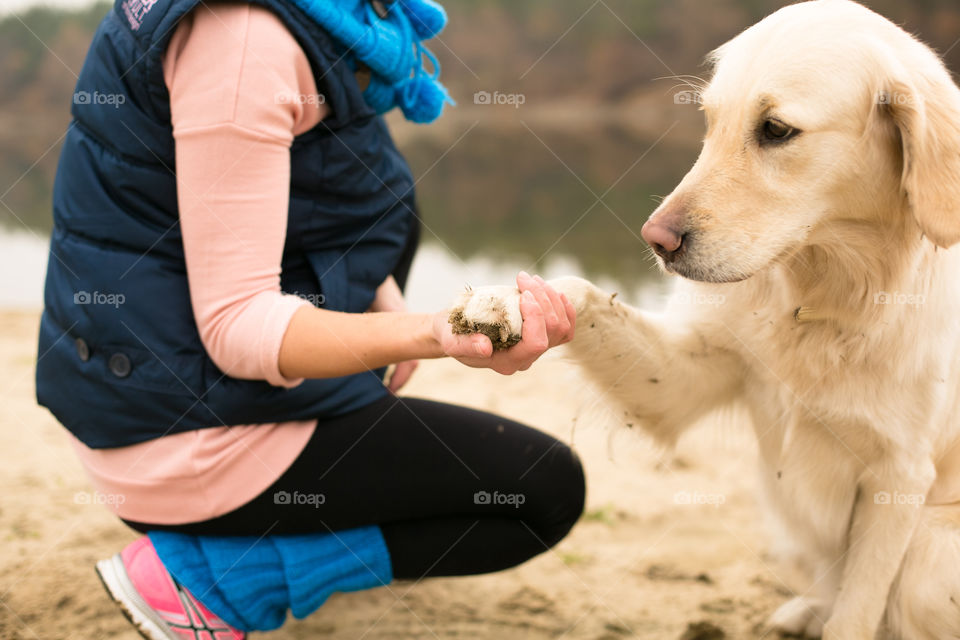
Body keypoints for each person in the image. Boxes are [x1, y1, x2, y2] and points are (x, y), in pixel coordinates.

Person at [36, 0, 585, 637]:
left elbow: (312, 198)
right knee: (536, 493)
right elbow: (239, 327)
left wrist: (379, 293)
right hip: (174, 433)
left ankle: (277, 534)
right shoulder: (244, 44)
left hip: (156, 383)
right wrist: (434, 332)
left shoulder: (330, 23)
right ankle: (211, 578)